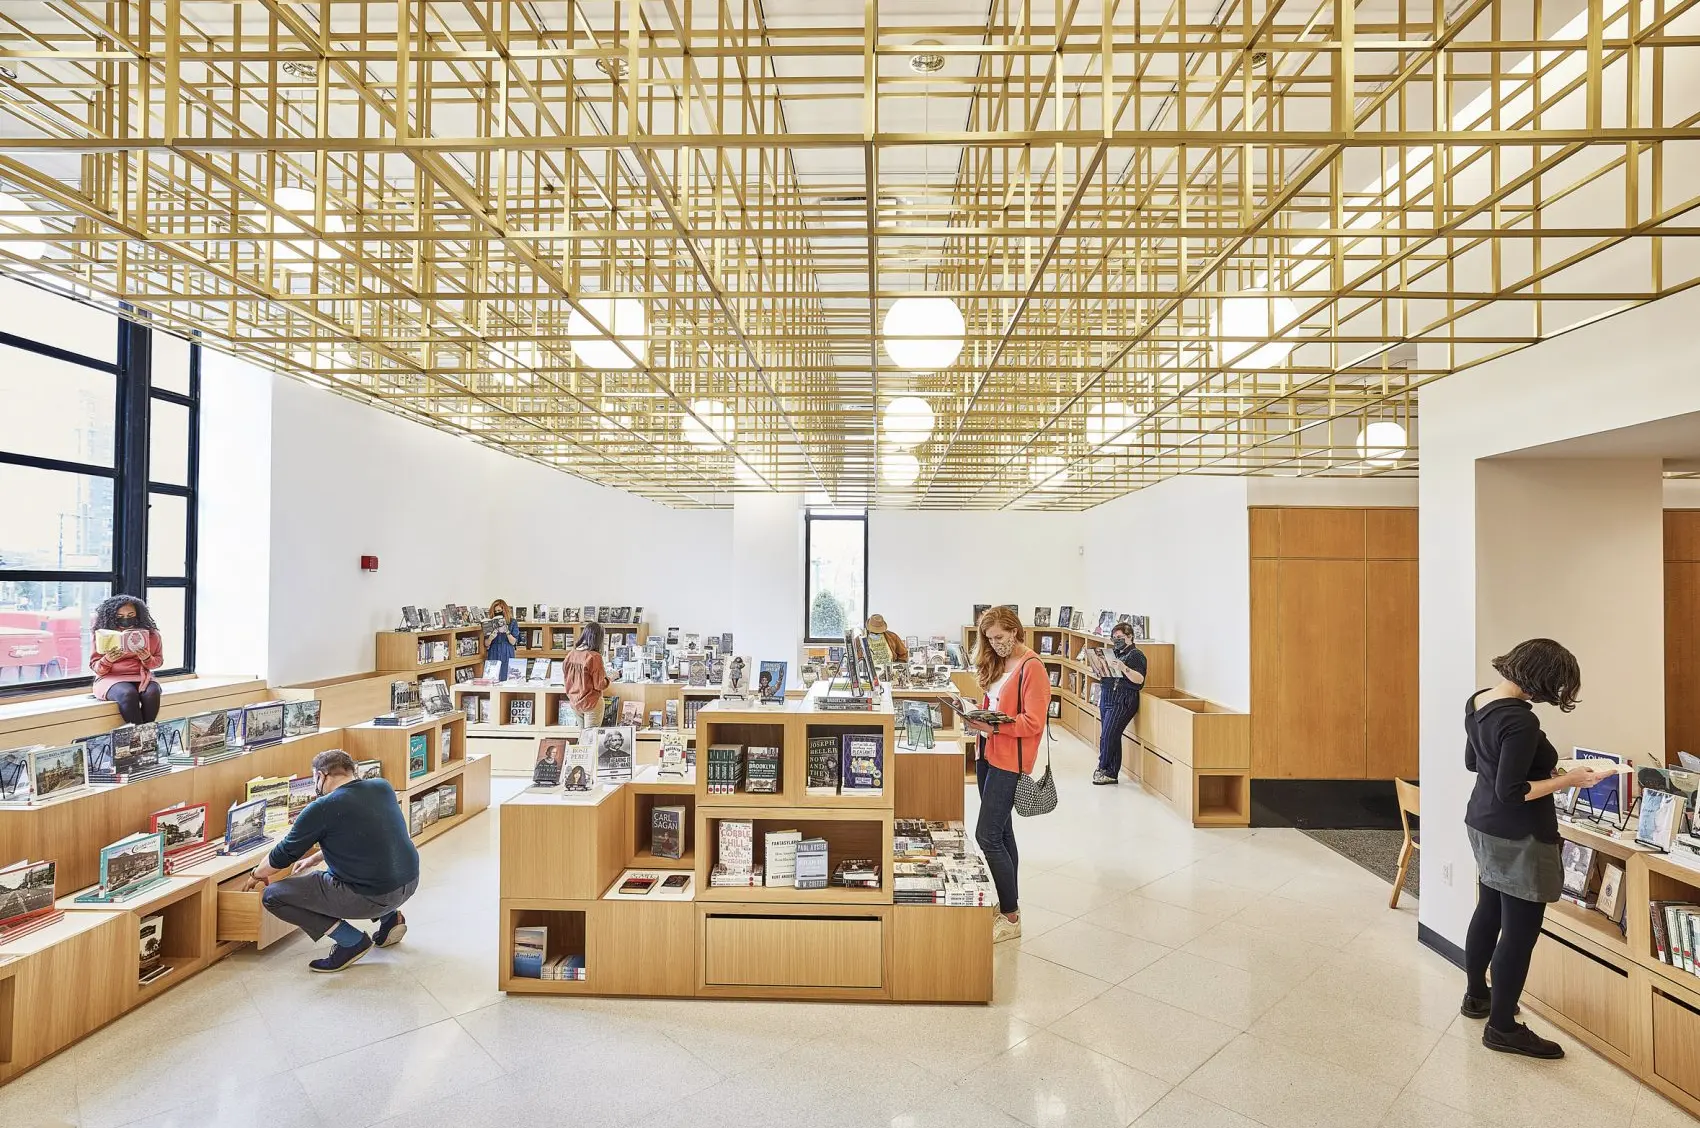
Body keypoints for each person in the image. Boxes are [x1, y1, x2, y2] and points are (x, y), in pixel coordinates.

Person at [1462, 638, 1614, 1058]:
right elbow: (1513, 792)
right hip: (1520, 835)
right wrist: (1570, 779)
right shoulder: (1520, 720)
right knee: (1520, 932)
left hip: (1482, 824)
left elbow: (1475, 763)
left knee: (1489, 909)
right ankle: (1502, 1028)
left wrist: (1541, 769)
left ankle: (1477, 997)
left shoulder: (1479, 700)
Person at [247, 749, 420, 972]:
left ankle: (351, 942)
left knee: (273, 896)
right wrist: (315, 857)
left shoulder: (322, 807)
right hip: (409, 883)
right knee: (367, 868)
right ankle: (391, 920)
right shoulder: (381, 786)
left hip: (372, 896)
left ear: (321, 775)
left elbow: (283, 854)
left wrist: (256, 874)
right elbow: (370, 836)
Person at [961, 606, 1051, 944]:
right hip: (987, 753)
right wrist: (977, 716)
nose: (995, 643)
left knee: (987, 835)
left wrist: (993, 727)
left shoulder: (1032, 667)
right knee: (1002, 832)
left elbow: (1033, 722)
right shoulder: (999, 663)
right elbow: (996, 704)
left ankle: (1011, 916)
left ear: (1014, 630)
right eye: (989, 638)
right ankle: (1007, 904)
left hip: (1009, 760)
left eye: (999, 636)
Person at [89, 595, 165, 723]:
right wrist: (108, 660)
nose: (126, 620)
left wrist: (147, 658)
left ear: (138, 615)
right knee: (128, 694)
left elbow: (158, 662)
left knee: (152, 693)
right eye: (120, 617)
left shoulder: (151, 635)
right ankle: (142, 734)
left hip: (141, 676)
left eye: (131, 615)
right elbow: (96, 668)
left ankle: (146, 733)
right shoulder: (103, 635)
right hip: (110, 678)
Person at [1093, 622, 1147, 785]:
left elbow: (1140, 680)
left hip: (1123, 699)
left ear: (1130, 637)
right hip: (1108, 696)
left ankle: (1102, 767)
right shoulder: (1113, 653)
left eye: (1120, 637)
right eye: (1114, 637)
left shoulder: (1136, 655)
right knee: (1110, 735)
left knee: (1109, 735)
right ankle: (1111, 773)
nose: (1116, 640)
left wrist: (1124, 668)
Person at [564, 621, 610, 727]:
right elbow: (599, 685)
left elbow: (567, 678)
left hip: (575, 702)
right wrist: (609, 679)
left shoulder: (571, 654)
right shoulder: (594, 657)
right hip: (591, 702)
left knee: (582, 735)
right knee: (591, 736)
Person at [485, 600, 521, 680]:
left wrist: (507, 632)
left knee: (507, 677)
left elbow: (513, 642)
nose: (497, 613)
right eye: (495, 611)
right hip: (493, 651)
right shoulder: (490, 623)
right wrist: (490, 638)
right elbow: (486, 644)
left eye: (499, 611)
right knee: (492, 678)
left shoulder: (512, 622)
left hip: (507, 651)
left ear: (504, 610)